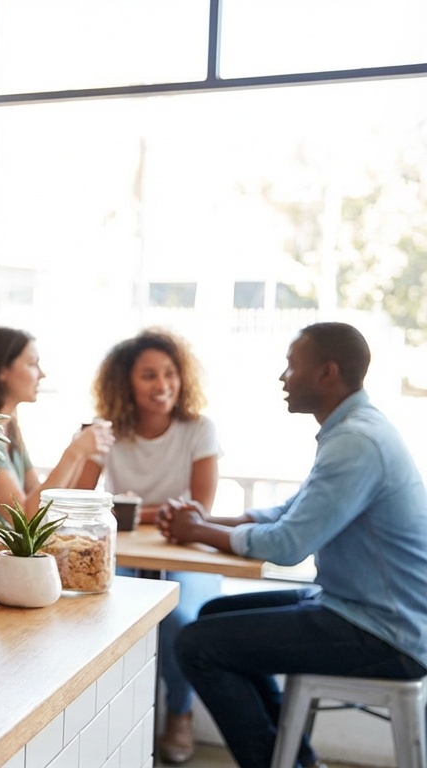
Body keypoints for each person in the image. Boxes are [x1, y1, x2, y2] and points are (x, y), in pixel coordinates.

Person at [162, 322, 427, 768]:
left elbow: (287, 545)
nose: (283, 377)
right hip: (356, 608)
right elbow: (293, 509)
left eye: (291, 366)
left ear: (327, 373)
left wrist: (198, 532)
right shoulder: (355, 428)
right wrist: (206, 521)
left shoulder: (356, 441)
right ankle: (294, 759)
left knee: (197, 643)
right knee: (213, 617)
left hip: (386, 633)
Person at [76, 328, 221, 765]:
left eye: (170, 374)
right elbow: (82, 501)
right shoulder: (109, 433)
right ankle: (117, 716)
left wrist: (130, 510)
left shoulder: (199, 429)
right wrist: (157, 512)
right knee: (99, 614)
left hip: (185, 554)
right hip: (125, 553)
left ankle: (179, 713)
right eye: (149, 376)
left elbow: (199, 510)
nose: (163, 386)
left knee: (178, 619)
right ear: (126, 383)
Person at [0, 327, 114, 514]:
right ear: (2, 371)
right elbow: (25, 517)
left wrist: (82, 452)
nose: (42, 374)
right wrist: (74, 452)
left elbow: (41, 499)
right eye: (32, 364)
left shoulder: (8, 425)